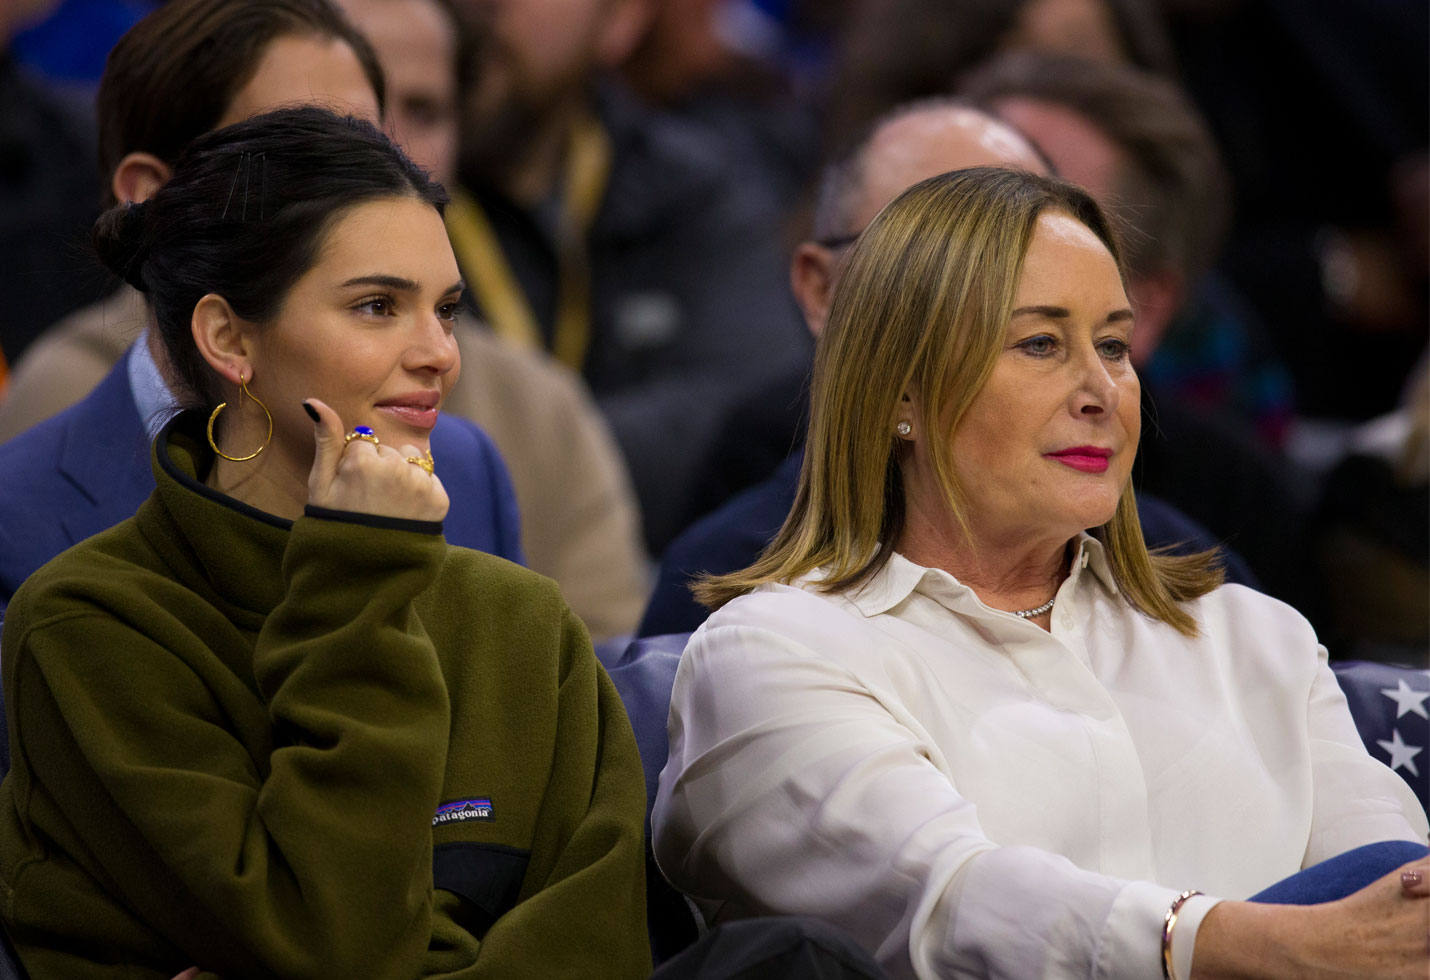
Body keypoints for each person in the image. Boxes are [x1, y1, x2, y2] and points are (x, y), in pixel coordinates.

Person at [651, 168, 1429, 980]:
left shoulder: (1253, 635)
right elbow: (949, 907)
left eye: (1114, 345)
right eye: (1040, 344)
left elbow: (1392, 896)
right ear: (900, 391)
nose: (1101, 390)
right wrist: (1265, 950)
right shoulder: (772, 654)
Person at [0, 106, 651, 979]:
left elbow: (599, 949)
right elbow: (334, 943)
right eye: (378, 306)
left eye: (448, 310)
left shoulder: (523, 622)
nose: (439, 355)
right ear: (229, 337)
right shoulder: (89, 625)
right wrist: (358, 576)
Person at [640, 98, 1254, 638]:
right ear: (823, 291)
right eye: (924, 249)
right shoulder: (747, 605)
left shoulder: (1210, 595)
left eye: (1112, 343)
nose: (1096, 388)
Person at [0, 0, 525, 611]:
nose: (360, 193)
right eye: (291, 155)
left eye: (364, 148)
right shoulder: (18, 520)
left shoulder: (466, 471)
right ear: (152, 198)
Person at [334, 0, 650, 639]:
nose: (388, 147)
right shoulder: (82, 385)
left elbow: (605, 690)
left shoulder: (541, 411)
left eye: (423, 112)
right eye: (341, 111)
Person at [450, 0, 812, 552]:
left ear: (620, 18)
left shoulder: (696, 187)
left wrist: (484, 459)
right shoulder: (378, 203)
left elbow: (756, 410)